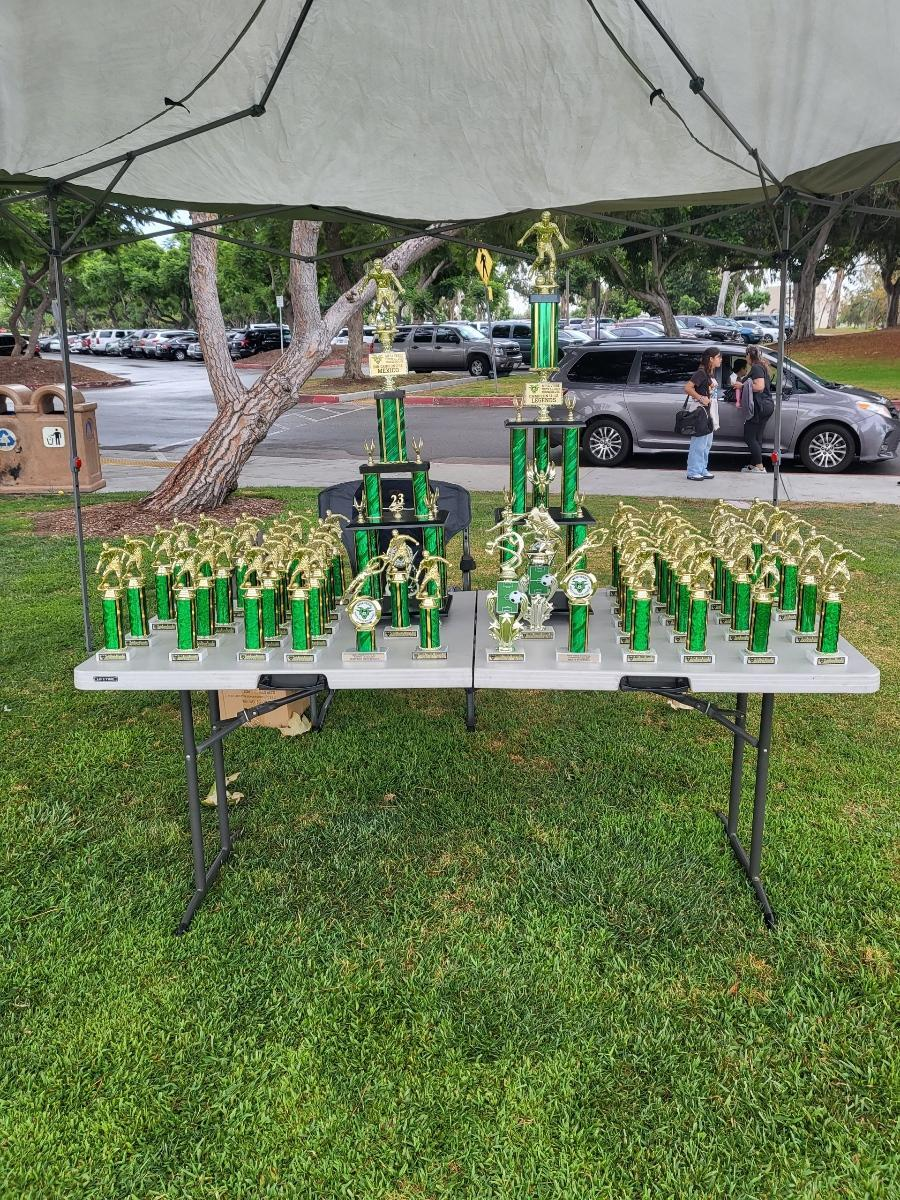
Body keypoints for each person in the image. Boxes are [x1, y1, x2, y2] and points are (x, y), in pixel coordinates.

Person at [683, 347, 722, 481]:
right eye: (718, 357)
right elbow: (688, 387)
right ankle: (693, 470)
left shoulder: (710, 373)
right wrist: (700, 397)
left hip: (709, 412)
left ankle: (702, 468)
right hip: (701, 412)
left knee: (707, 443)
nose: (720, 359)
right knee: (698, 442)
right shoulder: (700, 373)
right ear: (711, 359)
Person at [740, 345, 775, 473]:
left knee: (749, 436)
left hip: (760, 406)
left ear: (749, 355)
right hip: (767, 405)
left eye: (746, 355)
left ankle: (759, 466)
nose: (746, 358)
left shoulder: (756, 367)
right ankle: (753, 465)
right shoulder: (762, 366)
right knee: (757, 436)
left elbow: (759, 387)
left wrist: (741, 385)